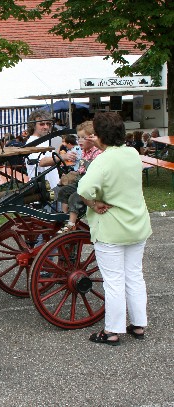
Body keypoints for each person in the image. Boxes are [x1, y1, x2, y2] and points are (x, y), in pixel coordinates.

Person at [77, 112, 152, 346]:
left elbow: (84, 189)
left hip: (111, 227)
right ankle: (138, 325)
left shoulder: (103, 159)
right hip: (137, 224)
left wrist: (92, 203)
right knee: (134, 276)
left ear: (99, 136)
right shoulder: (132, 153)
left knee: (114, 280)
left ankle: (112, 331)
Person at [56, 121, 102, 232]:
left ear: (93, 138)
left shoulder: (97, 152)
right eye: (78, 138)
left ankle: (71, 223)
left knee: (75, 197)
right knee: (63, 191)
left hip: (89, 183)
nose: (79, 141)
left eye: (83, 138)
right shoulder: (83, 151)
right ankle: (65, 216)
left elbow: (95, 172)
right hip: (80, 180)